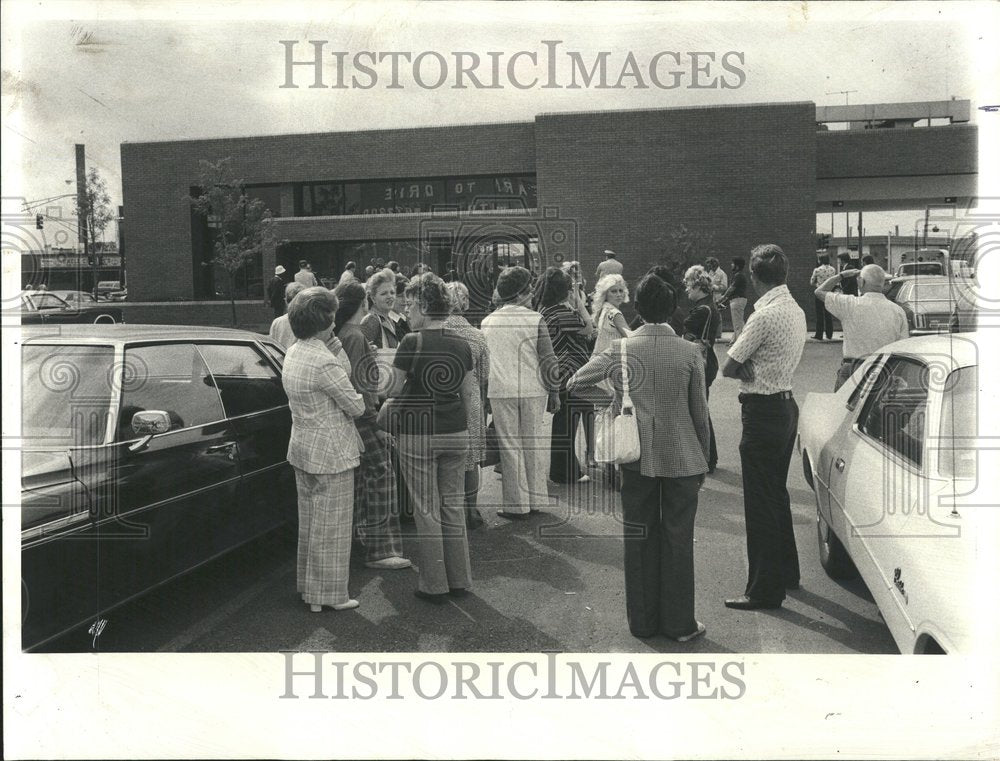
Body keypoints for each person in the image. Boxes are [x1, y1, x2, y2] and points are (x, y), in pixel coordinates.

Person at [568, 274, 710, 641]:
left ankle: (643, 623)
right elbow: (700, 414)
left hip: (635, 455)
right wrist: (705, 457)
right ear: (673, 309)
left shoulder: (621, 350)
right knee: (678, 539)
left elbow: (575, 383)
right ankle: (680, 623)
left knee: (639, 536)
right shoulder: (689, 351)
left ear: (638, 309)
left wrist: (614, 406)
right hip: (682, 455)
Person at [721, 244, 806, 611]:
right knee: (776, 495)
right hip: (785, 405)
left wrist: (744, 366)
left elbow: (729, 364)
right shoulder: (795, 309)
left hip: (762, 411)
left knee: (760, 503)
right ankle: (786, 571)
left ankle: (764, 590)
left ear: (755, 278)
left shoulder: (764, 315)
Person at [388, 273, 476, 602]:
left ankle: (434, 584)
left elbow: (393, 389)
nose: (407, 312)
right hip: (456, 430)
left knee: (427, 510)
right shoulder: (462, 343)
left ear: (425, 306)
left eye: (410, 305)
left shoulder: (411, 342)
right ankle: (460, 581)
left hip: (418, 433)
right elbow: (468, 392)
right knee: (453, 506)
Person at [281, 287, 365, 612]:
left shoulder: (293, 352)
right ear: (323, 320)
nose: (334, 323)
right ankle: (330, 595)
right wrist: (338, 351)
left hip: (302, 447)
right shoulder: (325, 362)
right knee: (334, 528)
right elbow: (355, 405)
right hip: (332, 452)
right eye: (331, 317)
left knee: (311, 523)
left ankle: (309, 589)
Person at [333, 280, 411, 571]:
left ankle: (363, 540)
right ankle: (380, 550)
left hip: (355, 418)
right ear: (364, 302)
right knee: (381, 479)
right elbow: (361, 385)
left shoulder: (345, 333)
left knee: (364, 484)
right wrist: (375, 422)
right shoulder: (355, 336)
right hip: (365, 418)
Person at [480, 266, 561, 517]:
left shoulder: (487, 322)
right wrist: (555, 391)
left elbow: (484, 364)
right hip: (533, 389)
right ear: (523, 293)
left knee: (510, 447)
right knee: (533, 444)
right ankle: (537, 500)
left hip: (500, 389)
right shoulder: (536, 319)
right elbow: (548, 359)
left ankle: (516, 504)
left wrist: (484, 398)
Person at [535, 267, 596, 484]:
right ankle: (565, 472)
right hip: (570, 372)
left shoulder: (546, 311)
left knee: (564, 421)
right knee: (568, 423)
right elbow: (589, 328)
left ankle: (565, 469)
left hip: (558, 372)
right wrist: (579, 302)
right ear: (565, 290)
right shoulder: (564, 314)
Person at [815, 263, 908, 390]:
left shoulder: (849, 304)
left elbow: (819, 291)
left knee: (843, 408)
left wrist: (842, 275)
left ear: (861, 282)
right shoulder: (898, 311)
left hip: (852, 368)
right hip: (883, 370)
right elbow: (902, 349)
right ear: (883, 284)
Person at [443, 281, 491, 528]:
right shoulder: (477, 335)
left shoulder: (434, 332)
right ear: (466, 302)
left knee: (446, 458)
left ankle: (450, 511)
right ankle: (471, 510)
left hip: (442, 400)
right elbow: (484, 375)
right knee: (471, 458)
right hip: (471, 399)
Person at [682, 265, 721, 473]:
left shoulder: (703, 309)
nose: (686, 288)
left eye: (688, 284)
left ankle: (708, 458)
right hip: (704, 361)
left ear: (698, 285)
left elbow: (685, 327)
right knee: (699, 409)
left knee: (700, 410)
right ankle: (706, 456)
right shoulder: (706, 306)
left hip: (701, 362)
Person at [361, 268, 408, 349]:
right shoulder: (371, 320)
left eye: (392, 293)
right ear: (373, 298)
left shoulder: (388, 319)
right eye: (384, 293)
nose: (390, 297)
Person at [719, 257, 749, 345]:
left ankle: (739, 343)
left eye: (733, 264)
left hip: (737, 300)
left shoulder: (738, 275)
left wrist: (722, 297)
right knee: (739, 321)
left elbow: (731, 289)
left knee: (737, 323)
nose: (731, 265)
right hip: (737, 300)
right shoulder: (738, 275)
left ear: (737, 266)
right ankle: (735, 340)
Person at [809, 254, 837, 341]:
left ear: (820, 260)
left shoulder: (817, 270)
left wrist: (818, 284)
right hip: (829, 293)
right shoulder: (833, 270)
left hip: (819, 293)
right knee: (828, 313)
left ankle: (819, 334)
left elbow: (812, 282)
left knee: (819, 314)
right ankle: (829, 334)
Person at [705, 257, 728, 340]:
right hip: (710, 297)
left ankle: (718, 334)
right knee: (710, 314)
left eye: (709, 265)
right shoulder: (710, 273)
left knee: (717, 315)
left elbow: (725, 287)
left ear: (713, 264)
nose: (708, 267)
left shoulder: (722, 274)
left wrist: (714, 287)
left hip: (718, 297)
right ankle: (711, 333)